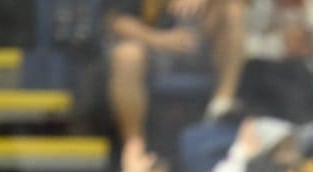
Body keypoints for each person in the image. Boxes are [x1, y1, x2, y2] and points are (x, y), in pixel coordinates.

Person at [107, 0, 249, 162]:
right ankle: (134, 149)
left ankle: (222, 103)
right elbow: (116, 21)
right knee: (127, 56)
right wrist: (160, 40)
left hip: (203, 46)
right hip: (151, 45)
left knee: (234, 9)